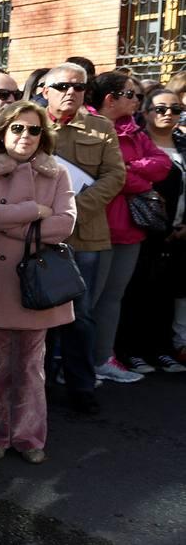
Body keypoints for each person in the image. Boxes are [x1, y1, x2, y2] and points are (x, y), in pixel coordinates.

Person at [0, 101, 76, 463]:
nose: (25, 136)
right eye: (17, 128)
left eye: (33, 129)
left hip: (38, 286)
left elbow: (65, 224)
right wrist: (32, 213)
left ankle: (30, 437)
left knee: (31, 368)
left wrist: (9, 223)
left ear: (43, 135)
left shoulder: (56, 173)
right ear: (3, 132)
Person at [44, 62, 126, 415]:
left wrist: (74, 207)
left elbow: (115, 175)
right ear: (45, 89)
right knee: (40, 312)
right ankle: (39, 386)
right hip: (40, 235)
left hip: (86, 236)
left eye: (78, 87)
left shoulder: (101, 128)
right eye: (62, 86)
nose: (70, 92)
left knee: (81, 316)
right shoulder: (28, 123)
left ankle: (81, 386)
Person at [84, 71, 171, 383]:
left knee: (112, 297)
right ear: (111, 98)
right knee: (87, 300)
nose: (137, 101)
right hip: (96, 226)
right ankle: (76, 365)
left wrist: (130, 170)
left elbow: (163, 165)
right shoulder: (89, 126)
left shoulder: (135, 130)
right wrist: (133, 176)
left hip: (130, 228)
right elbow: (108, 174)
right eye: (132, 95)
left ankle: (102, 359)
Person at [118, 87, 186, 372]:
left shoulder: (183, 145)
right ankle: (130, 351)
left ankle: (162, 350)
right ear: (144, 112)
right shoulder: (138, 143)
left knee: (166, 294)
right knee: (136, 292)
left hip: (180, 231)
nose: (168, 114)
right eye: (160, 108)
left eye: (175, 109)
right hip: (143, 227)